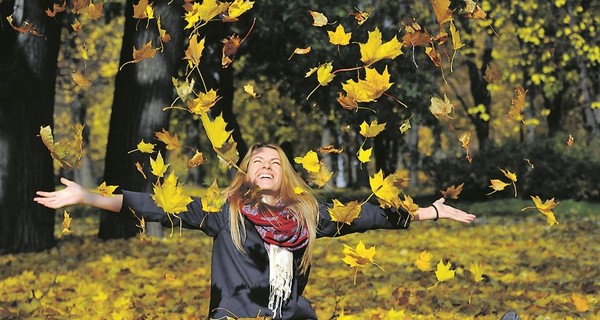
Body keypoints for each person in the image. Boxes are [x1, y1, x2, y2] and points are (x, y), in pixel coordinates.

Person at [34, 143, 476, 319]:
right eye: (257, 162)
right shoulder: (222, 211)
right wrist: (87, 196)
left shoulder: (309, 214)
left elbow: (372, 216)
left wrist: (430, 212)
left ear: (284, 175)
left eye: (274, 163)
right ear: (247, 174)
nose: (265, 167)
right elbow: (153, 205)